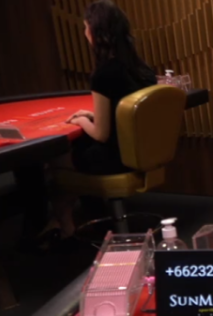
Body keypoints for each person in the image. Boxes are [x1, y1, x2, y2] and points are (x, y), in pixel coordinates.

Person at [44, 0, 156, 242]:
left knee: (58, 160)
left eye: (86, 28)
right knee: (77, 150)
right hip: (143, 152)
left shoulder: (104, 74)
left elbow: (101, 134)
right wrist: (93, 116)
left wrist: (81, 120)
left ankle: (65, 225)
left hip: (117, 158)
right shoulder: (142, 69)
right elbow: (128, 113)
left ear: (97, 33)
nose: (85, 33)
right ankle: (89, 216)